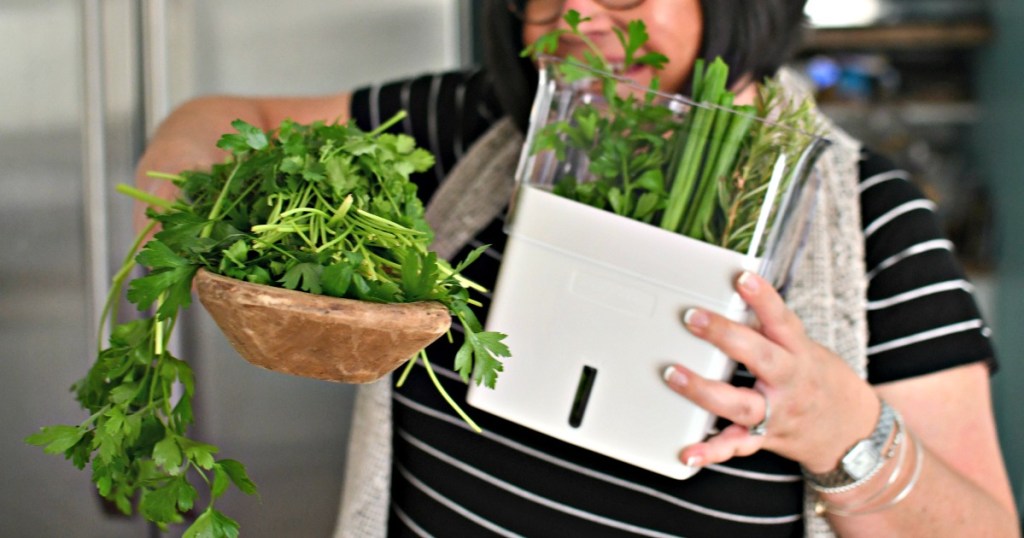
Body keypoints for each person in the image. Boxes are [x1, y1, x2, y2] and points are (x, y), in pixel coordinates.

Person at [135, 1, 1019, 536]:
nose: (574, 18)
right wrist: (188, 220)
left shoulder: (868, 221)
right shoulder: (474, 126)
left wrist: (843, 430)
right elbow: (223, 117)